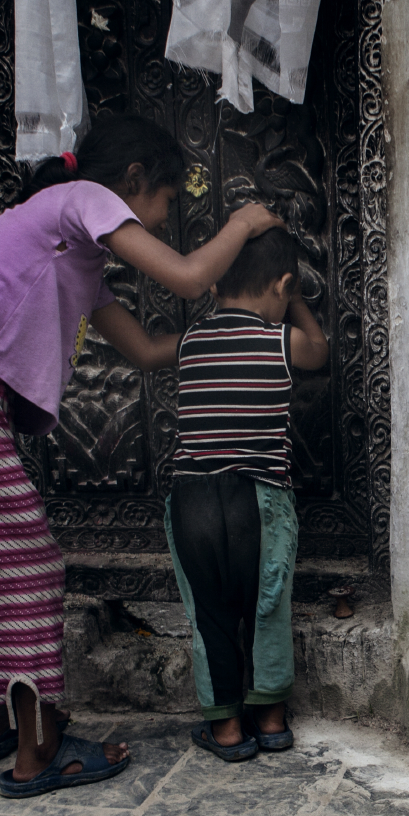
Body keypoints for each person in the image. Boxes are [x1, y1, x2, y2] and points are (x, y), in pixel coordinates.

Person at [0, 113, 280, 798]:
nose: (162, 218)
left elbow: (147, 349)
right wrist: (242, 225)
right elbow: (184, 278)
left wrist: (217, 339)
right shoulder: (77, 197)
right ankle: (39, 752)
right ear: (134, 180)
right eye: (166, 201)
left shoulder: (74, 253)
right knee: (28, 559)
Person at [164, 226, 328, 760]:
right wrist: (297, 300)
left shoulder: (189, 342)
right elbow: (320, 351)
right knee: (267, 607)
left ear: (212, 287)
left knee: (208, 613)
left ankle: (227, 729)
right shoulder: (281, 340)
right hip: (258, 500)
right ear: (284, 284)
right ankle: (273, 720)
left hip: (192, 502)